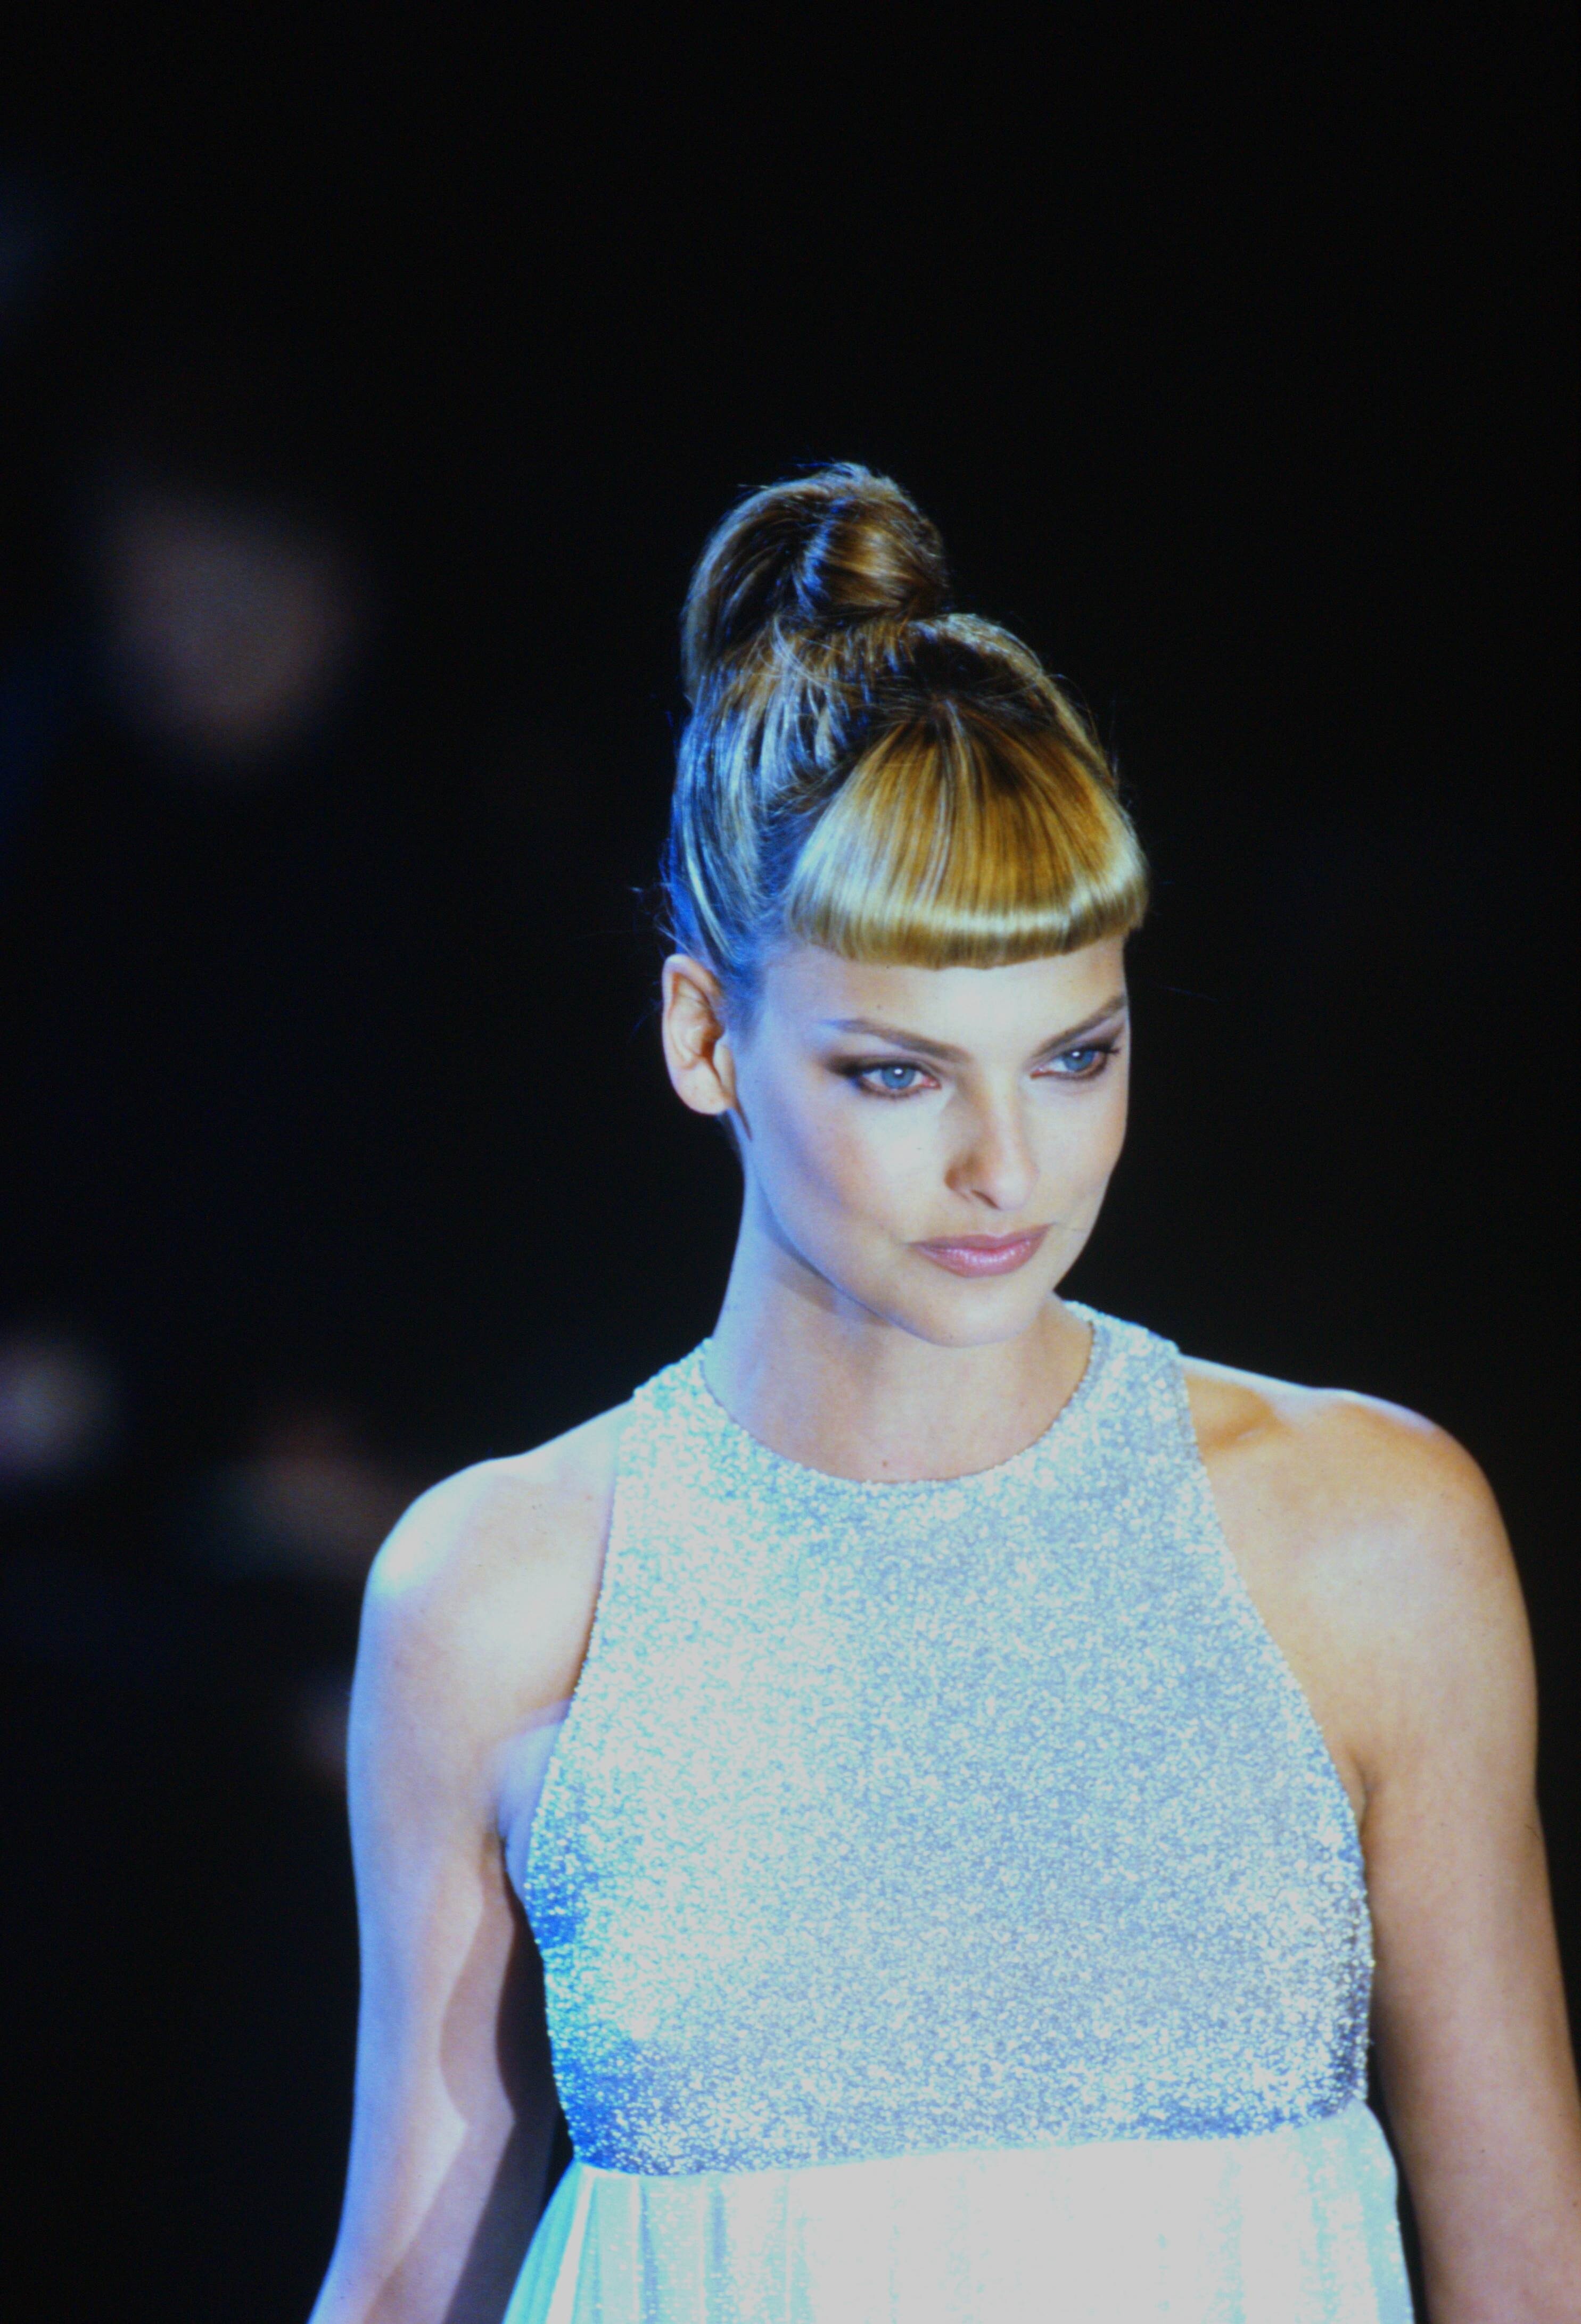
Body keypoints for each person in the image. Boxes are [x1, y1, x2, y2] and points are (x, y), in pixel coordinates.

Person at [310, 467, 1581, 2323]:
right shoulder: (504, 1592)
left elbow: (1529, 2272)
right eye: (899, 1074)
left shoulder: (1363, 1535)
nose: (1009, 1168)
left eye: (1073, 1056)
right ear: (702, 1037)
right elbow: (407, 2282)